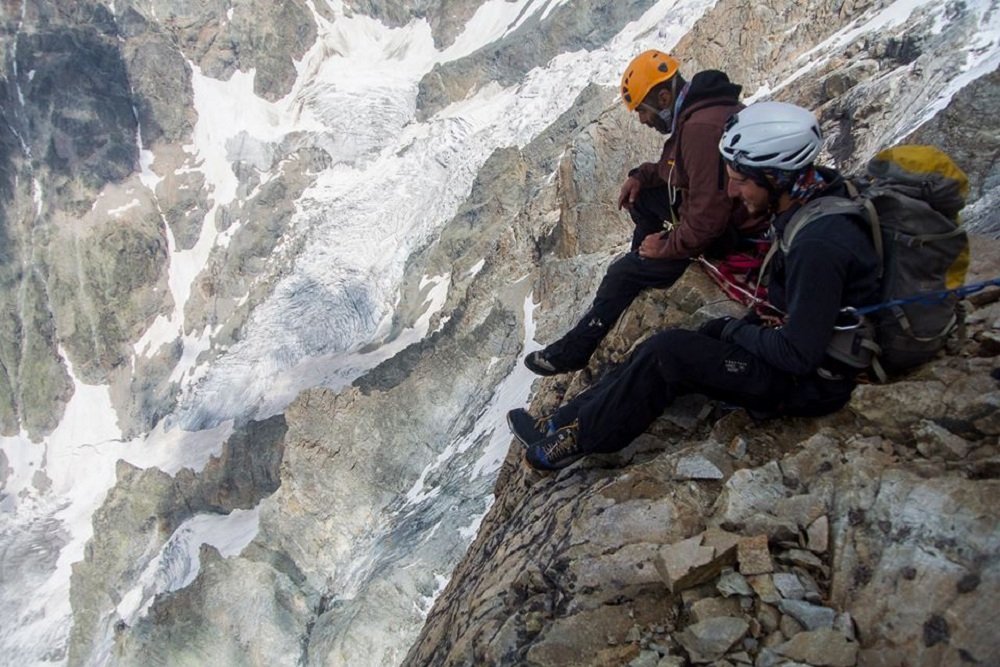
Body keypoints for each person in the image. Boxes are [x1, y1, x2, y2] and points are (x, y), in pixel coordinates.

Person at [510, 101, 882, 470]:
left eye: (740, 180)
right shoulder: (813, 195)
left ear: (775, 177)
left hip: (814, 384)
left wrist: (735, 329)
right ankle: (559, 421)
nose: (733, 193)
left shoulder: (818, 244)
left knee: (668, 354)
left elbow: (797, 355)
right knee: (676, 342)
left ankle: (579, 438)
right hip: (802, 344)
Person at [524, 50, 766, 376]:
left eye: (643, 109)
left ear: (664, 96)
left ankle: (575, 350)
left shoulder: (698, 130)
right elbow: (678, 170)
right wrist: (640, 176)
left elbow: (707, 222)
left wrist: (663, 247)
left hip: (729, 237)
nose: (642, 119)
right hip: (732, 219)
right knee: (643, 199)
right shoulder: (704, 112)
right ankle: (643, 263)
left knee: (621, 273)